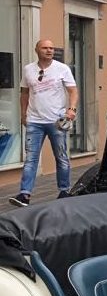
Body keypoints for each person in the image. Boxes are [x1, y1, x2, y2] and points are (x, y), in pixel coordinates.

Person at [9, 40, 78, 206]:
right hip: (34, 121)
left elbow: (73, 91)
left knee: (61, 157)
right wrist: (23, 114)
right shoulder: (28, 69)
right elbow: (24, 93)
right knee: (31, 159)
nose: (49, 50)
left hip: (56, 121)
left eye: (51, 48)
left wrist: (72, 109)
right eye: (45, 48)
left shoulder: (62, 68)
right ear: (37, 50)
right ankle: (24, 195)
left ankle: (64, 191)